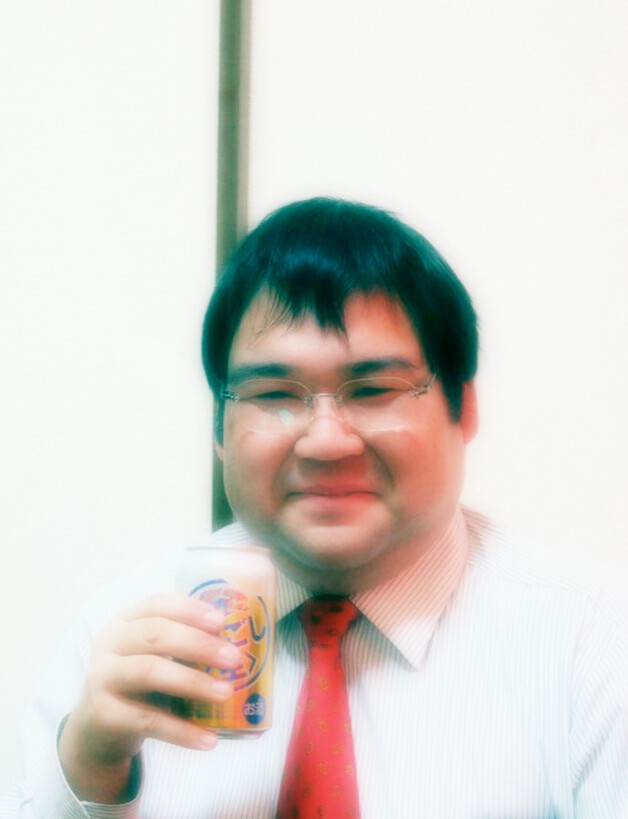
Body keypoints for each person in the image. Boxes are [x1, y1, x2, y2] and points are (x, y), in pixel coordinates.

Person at [3, 197, 627, 818]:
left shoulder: (593, 643)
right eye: (275, 393)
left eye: (374, 389)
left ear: (463, 409)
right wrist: (91, 771)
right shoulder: (127, 639)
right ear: (220, 429)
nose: (326, 441)